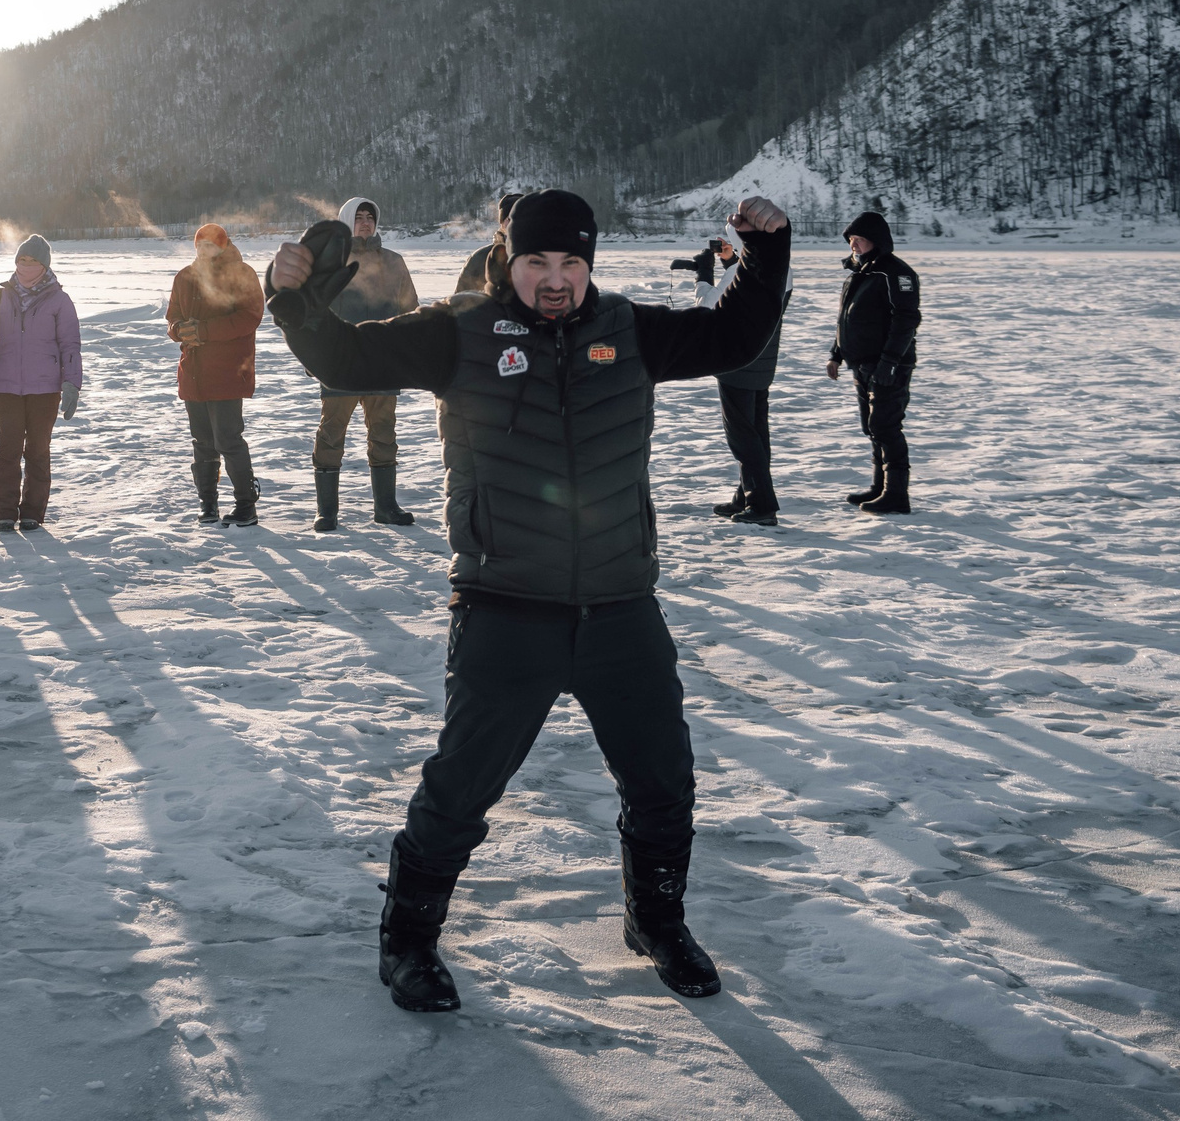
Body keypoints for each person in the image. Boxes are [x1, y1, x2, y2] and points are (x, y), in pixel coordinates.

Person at [265, 188, 793, 1011]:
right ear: (509, 260)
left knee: (664, 779)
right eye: (539, 262)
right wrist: (295, 298)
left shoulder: (630, 328)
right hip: (505, 604)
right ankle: (406, 941)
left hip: (621, 604)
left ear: (590, 264)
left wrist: (767, 257)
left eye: (572, 262)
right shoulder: (457, 332)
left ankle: (655, 917)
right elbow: (344, 360)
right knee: (462, 787)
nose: (556, 279)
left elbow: (733, 334)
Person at [311, 197, 421, 530]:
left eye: (370, 217)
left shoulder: (394, 262)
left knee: (385, 435)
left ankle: (386, 507)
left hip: (382, 364)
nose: (365, 223)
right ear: (346, 221)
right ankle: (327, 511)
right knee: (331, 435)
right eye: (358, 217)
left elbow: (411, 313)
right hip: (341, 364)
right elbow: (313, 315)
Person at [0, 234, 81, 532]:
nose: (27, 266)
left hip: (45, 389)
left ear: (44, 265)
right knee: (7, 451)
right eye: (22, 260)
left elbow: (70, 346)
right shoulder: (0, 297)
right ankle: (4, 512)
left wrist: (72, 384)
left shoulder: (59, 300)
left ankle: (33, 512)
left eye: (33, 261)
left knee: (38, 451)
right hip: (7, 387)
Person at [167, 224, 263, 526]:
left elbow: (250, 317)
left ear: (223, 246)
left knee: (228, 439)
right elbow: (172, 317)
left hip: (228, 371)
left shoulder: (242, 274)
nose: (204, 250)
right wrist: (179, 330)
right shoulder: (184, 277)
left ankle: (246, 504)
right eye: (200, 245)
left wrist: (204, 331)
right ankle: (207, 502)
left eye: (211, 245)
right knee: (202, 441)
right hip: (194, 372)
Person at [825, 209, 920, 513]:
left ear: (876, 241)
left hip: (889, 364)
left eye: (860, 239)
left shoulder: (897, 273)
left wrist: (890, 361)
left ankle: (897, 495)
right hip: (861, 363)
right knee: (873, 427)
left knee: (886, 425)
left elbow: (906, 320)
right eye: (851, 239)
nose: (853, 244)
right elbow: (847, 320)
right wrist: (836, 354)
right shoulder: (860, 274)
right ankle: (880, 488)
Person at [709, 234, 793, 525]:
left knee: (743, 437)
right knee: (757, 433)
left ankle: (761, 505)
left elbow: (708, 305)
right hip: (762, 362)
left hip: (737, 363)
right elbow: (747, 287)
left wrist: (702, 275)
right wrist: (731, 261)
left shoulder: (740, 273)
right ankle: (746, 495)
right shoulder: (781, 268)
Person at [455, 191, 524, 296]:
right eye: (509, 219)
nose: (515, 224)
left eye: (521, 218)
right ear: (502, 223)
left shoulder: (540, 258)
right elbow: (459, 303)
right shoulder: (479, 258)